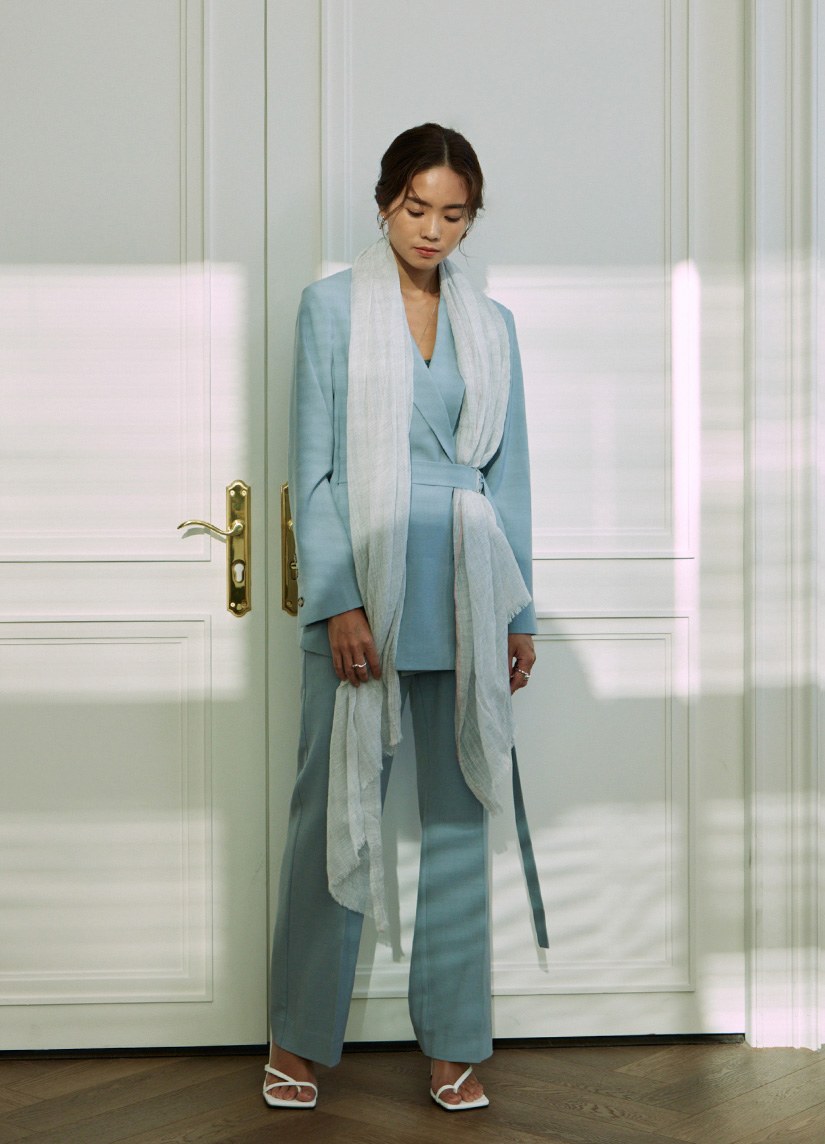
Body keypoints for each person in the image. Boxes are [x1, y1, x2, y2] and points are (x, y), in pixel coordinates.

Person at [265, 123, 540, 1113]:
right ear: (385, 202)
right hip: (364, 590)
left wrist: (519, 613)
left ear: (471, 219)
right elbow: (313, 470)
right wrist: (338, 598)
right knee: (329, 813)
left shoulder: (493, 326)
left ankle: (455, 1043)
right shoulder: (331, 308)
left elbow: (508, 480)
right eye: (415, 207)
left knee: (460, 815)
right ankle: (298, 1038)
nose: (431, 229)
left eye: (452, 214)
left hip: (467, 586)